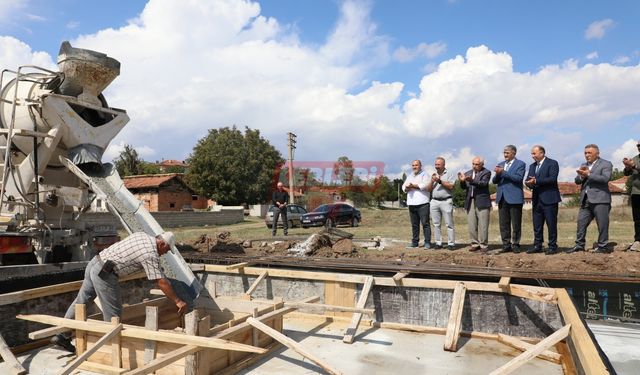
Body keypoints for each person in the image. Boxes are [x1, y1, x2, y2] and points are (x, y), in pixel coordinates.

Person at [51, 232, 188, 353]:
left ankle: (62, 335)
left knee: (81, 301)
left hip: (95, 262)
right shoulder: (150, 254)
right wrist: (177, 301)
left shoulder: (142, 236)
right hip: (105, 273)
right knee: (113, 314)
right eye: (167, 249)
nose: (165, 253)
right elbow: (160, 281)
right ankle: (109, 349)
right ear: (162, 243)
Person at [567, 144, 613, 254]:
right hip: (585, 199)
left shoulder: (606, 164)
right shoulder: (584, 165)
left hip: (600, 199)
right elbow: (577, 181)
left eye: (589, 153)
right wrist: (581, 176)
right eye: (585, 153)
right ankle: (579, 245)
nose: (587, 155)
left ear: (597, 153)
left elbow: (605, 179)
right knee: (581, 223)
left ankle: (602, 246)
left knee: (602, 224)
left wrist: (588, 174)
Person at [525, 145, 562, 255]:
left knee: (551, 224)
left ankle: (552, 246)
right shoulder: (532, 166)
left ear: (541, 153)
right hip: (537, 199)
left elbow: (552, 179)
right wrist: (528, 183)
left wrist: (536, 181)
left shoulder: (552, 163)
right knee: (537, 224)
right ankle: (537, 245)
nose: (532, 156)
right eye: (531, 154)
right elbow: (529, 180)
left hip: (549, 199)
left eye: (534, 153)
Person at [493, 145, 526, 253]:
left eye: (507, 152)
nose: (505, 155)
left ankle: (515, 244)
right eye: (504, 153)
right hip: (502, 197)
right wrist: (498, 173)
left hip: (515, 198)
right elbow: (494, 181)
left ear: (514, 153)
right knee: (503, 223)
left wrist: (503, 172)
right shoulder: (501, 164)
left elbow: (518, 178)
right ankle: (506, 244)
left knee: (516, 223)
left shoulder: (520, 164)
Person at [458, 157, 491, 252]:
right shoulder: (468, 173)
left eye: (476, 164)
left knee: (483, 224)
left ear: (482, 164)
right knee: (472, 224)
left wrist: (472, 180)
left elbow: (483, 184)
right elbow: (464, 187)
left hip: (482, 201)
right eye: (473, 164)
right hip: (470, 201)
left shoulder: (486, 172)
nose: (474, 166)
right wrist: (462, 181)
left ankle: (484, 245)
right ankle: (474, 243)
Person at [402, 159, 432, 248]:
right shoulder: (410, 176)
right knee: (414, 225)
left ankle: (427, 242)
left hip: (423, 203)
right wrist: (407, 188)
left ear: (420, 166)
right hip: (412, 203)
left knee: (425, 224)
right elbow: (404, 186)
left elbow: (424, 185)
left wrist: (413, 186)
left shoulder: (425, 175)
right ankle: (415, 242)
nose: (414, 167)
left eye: (416, 165)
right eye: (413, 165)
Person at [429, 157, 456, 250]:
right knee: (436, 223)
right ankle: (438, 243)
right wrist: (432, 181)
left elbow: (451, 186)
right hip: (434, 201)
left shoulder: (450, 174)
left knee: (449, 223)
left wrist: (439, 181)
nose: (436, 166)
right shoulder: (433, 175)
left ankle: (451, 243)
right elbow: (429, 189)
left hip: (446, 200)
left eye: (438, 164)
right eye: (435, 164)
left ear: (444, 165)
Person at [623, 141, 640, 251]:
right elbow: (626, 173)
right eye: (638, 145)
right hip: (636, 192)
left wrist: (634, 165)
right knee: (637, 219)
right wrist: (628, 167)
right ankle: (638, 240)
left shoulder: (635, 161)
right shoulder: (635, 157)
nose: (639, 147)